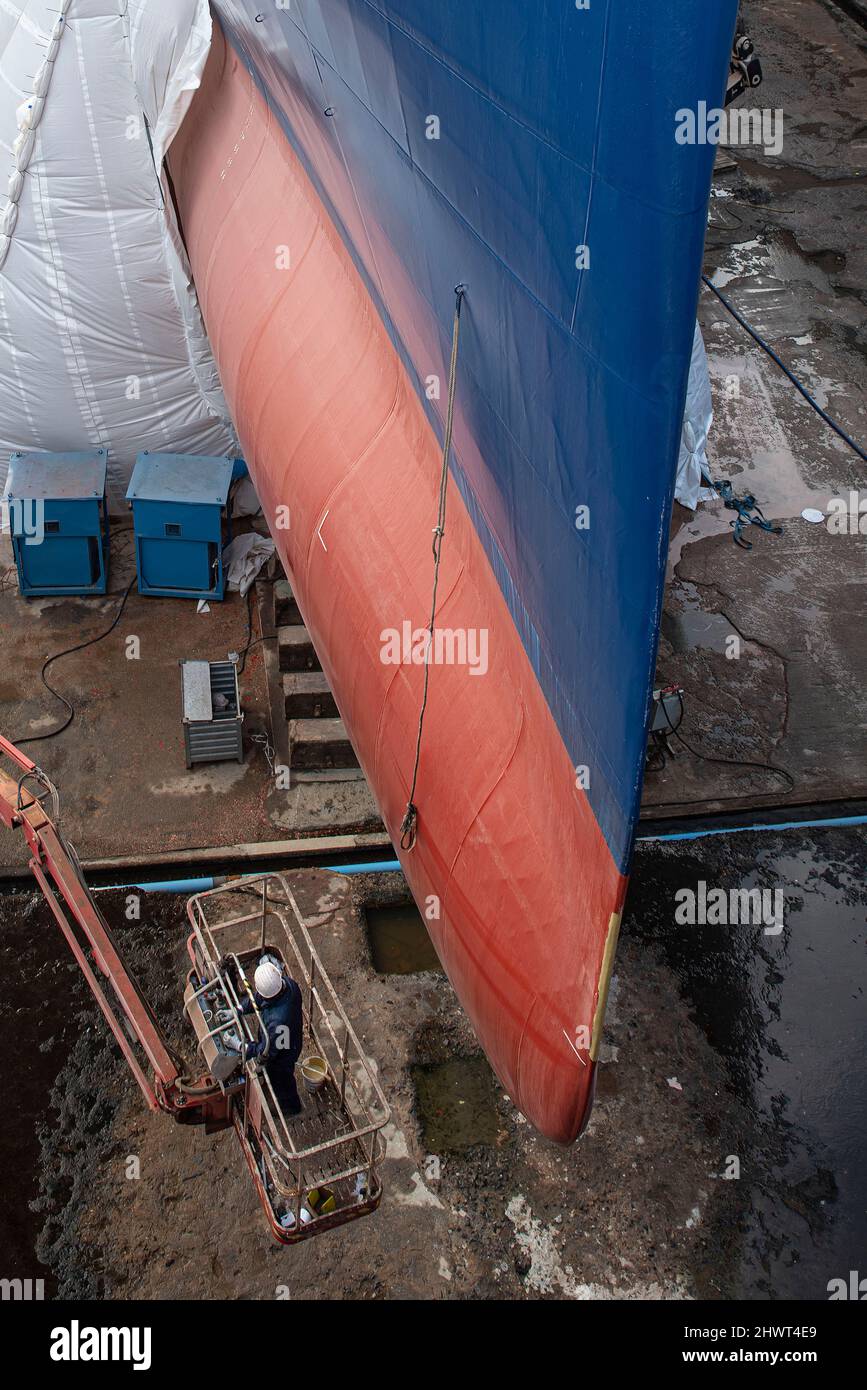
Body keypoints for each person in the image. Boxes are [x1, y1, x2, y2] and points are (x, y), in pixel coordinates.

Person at [237, 958, 304, 1116]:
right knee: (277, 1074)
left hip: (284, 1053)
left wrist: (243, 1047)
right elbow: (259, 998)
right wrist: (239, 1008)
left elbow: (269, 1051)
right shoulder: (288, 984)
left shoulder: (279, 1022)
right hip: (287, 1037)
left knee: (282, 1079)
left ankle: (291, 1107)